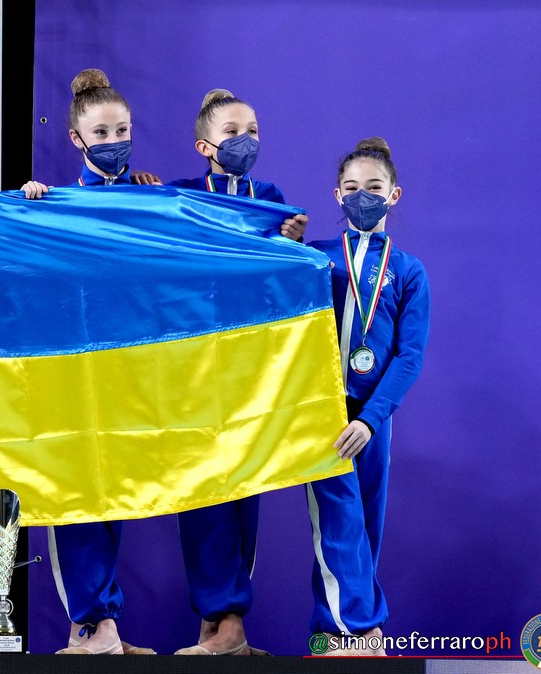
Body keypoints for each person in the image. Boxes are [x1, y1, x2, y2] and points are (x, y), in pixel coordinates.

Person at [21, 69, 154, 657]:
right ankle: (87, 627)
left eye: (122, 130)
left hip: (130, 369)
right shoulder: (53, 202)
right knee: (76, 495)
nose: (114, 141)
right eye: (101, 133)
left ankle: (107, 628)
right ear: (76, 139)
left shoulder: (152, 198)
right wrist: (29, 210)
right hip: (73, 370)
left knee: (113, 495)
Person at [169, 89, 305, 656]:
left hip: (249, 363)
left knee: (244, 487)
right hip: (192, 363)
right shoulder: (177, 195)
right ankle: (214, 621)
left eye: (252, 129)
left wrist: (290, 244)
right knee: (200, 491)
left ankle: (230, 624)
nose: (245, 139)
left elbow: (280, 277)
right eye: (232, 131)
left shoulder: (270, 200)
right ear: (204, 145)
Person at [306, 137, 430, 656]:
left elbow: (409, 357)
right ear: (337, 194)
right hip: (323, 411)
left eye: (374, 188)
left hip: (373, 416)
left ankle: (330, 635)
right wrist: (284, 243)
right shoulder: (312, 257)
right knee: (338, 521)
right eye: (352, 187)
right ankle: (362, 631)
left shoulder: (409, 270)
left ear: (394, 195)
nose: (363, 196)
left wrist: (373, 417)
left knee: (365, 526)